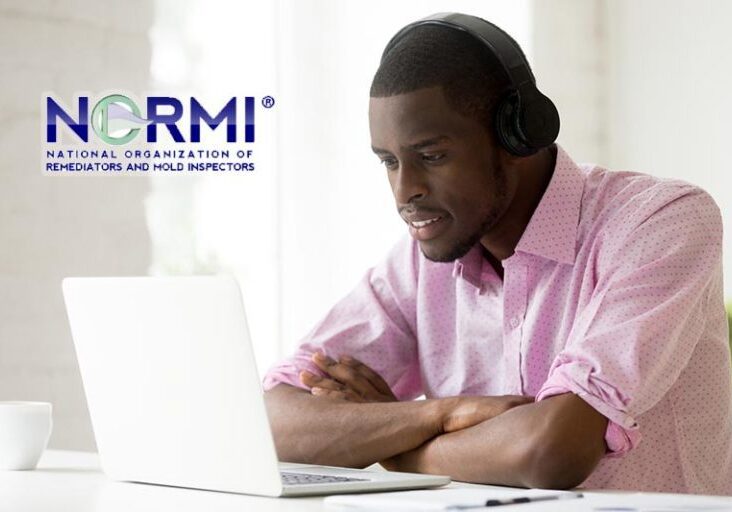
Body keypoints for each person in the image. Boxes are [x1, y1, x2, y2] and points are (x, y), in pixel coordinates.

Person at [262, 13, 732, 494]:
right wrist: (440, 413)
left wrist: (385, 444)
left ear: (517, 134)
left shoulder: (663, 222)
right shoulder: (420, 262)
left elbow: (551, 452)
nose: (405, 192)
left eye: (431, 156)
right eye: (389, 162)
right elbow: (274, 422)